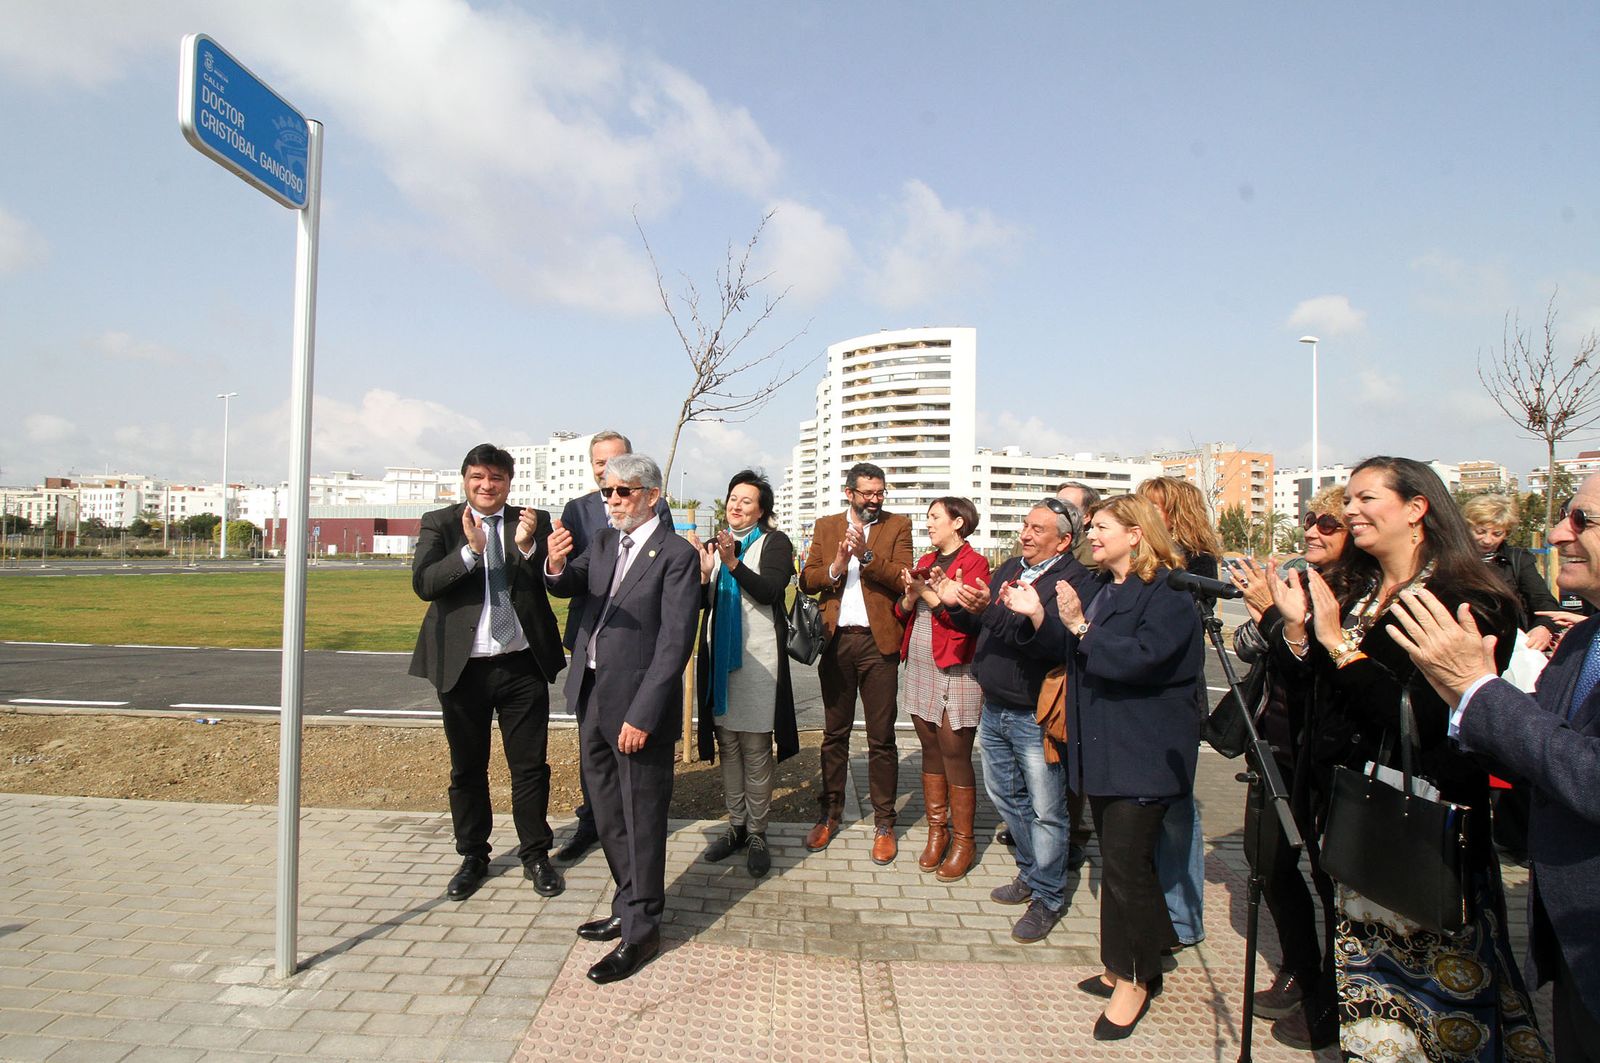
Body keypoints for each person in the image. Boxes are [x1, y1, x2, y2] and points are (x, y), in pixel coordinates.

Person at [1267, 456, 1549, 1059]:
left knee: (1436, 997)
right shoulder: (1355, 586)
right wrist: (1298, 634)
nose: (1350, 511)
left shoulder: (1468, 599)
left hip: (1419, 823)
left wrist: (1337, 643)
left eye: (1366, 499)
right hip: (1348, 806)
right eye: (1349, 500)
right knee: (1369, 988)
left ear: (1417, 508)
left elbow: (1424, 722)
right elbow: (1312, 692)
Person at [1389, 478, 1600, 1062]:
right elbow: (1541, 758)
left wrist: (1480, 693)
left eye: (1583, 520)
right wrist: (1465, 700)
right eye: (1564, 516)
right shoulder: (1583, 639)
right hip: (1575, 944)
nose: (1556, 534)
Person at [545, 453, 699, 985]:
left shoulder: (676, 555)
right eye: (607, 491)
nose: (611, 500)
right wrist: (553, 562)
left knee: (641, 816)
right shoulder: (606, 541)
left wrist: (643, 715)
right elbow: (569, 584)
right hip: (592, 695)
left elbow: (674, 644)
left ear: (652, 496)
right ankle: (627, 901)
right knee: (607, 811)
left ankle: (642, 930)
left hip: (637, 708)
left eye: (622, 491)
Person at [1057, 494, 1202, 1041]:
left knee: (1125, 866)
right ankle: (1123, 962)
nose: (1091, 535)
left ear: (1136, 534)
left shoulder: (1168, 591)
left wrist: (1083, 630)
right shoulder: (1104, 585)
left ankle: (1137, 979)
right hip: (1103, 748)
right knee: (1118, 862)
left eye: (1101, 527)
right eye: (1090, 527)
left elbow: (1145, 658)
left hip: (1144, 752)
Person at [408, 443, 568, 902]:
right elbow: (424, 584)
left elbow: (554, 584)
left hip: (521, 664)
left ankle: (536, 854)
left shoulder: (531, 520)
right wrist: (470, 553)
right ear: (465, 479)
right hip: (463, 670)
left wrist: (529, 547)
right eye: (478, 476)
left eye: (496, 477)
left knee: (530, 767)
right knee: (467, 768)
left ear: (509, 483)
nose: (486, 485)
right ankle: (473, 855)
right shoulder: (440, 522)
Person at [1222, 482, 1348, 1050]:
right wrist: (1267, 614)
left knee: (1330, 880)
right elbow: (1249, 645)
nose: (1313, 529)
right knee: (1266, 861)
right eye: (1311, 518)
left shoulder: (1357, 591)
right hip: (1273, 746)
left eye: (1329, 523)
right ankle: (1299, 967)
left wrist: (1278, 617)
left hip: (1325, 757)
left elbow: (1326, 664)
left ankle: (1336, 993)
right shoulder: (1296, 576)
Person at [946, 497, 1097, 942]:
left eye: (1037, 529)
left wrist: (1003, 612)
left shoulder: (1076, 580)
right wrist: (957, 603)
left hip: (1035, 713)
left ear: (1063, 541)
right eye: (1025, 525)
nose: (1025, 535)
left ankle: (1048, 896)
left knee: (1048, 811)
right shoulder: (1012, 567)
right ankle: (1032, 873)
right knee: (1007, 798)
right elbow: (983, 625)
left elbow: (1054, 645)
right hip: (995, 706)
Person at [552, 430, 672, 864]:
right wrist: (552, 561)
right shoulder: (582, 514)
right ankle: (596, 827)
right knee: (595, 753)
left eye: (617, 465)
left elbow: (663, 574)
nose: (612, 489)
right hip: (592, 648)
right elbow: (571, 576)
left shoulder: (659, 520)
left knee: (633, 758)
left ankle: (632, 846)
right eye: (601, 467)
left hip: (637, 652)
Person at [798, 461, 914, 864]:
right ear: (849, 493)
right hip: (836, 642)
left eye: (880, 492)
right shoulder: (826, 526)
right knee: (835, 734)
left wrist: (866, 556)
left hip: (878, 645)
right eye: (868, 493)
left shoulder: (897, 525)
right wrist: (836, 565)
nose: (875, 499)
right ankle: (829, 814)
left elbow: (903, 577)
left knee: (881, 737)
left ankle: (884, 822)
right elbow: (807, 579)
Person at [690, 470, 798, 879]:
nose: (736, 505)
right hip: (720, 661)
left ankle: (757, 831)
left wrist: (732, 563)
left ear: (761, 509)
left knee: (754, 748)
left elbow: (771, 591)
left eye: (746, 500)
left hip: (758, 663)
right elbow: (702, 604)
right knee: (728, 746)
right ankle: (735, 825)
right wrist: (705, 574)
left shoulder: (775, 542)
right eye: (733, 498)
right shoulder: (715, 545)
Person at [1135, 476, 1219, 952]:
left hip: (1176, 700)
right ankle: (1154, 906)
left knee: (1176, 811)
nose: (1144, 514)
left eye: (1154, 507)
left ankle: (1183, 919)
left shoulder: (1195, 564)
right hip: (1138, 701)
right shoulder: (1141, 557)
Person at [1463, 492, 1561, 867]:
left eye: (1497, 532)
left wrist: (1543, 626)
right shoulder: (1450, 560)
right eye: (1481, 530)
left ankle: (1514, 835)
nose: (1488, 539)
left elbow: (1545, 605)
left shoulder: (1518, 560)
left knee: (1510, 739)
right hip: (1466, 655)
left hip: (1511, 660)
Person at [895, 496, 990, 881]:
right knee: (930, 748)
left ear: (958, 522)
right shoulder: (925, 562)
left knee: (955, 751)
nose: (929, 523)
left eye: (935, 517)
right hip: (920, 665)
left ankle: (964, 840)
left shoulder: (975, 564)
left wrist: (931, 595)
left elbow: (964, 622)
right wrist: (911, 594)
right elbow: (901, 612)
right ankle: (938, 831)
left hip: (956, 667)